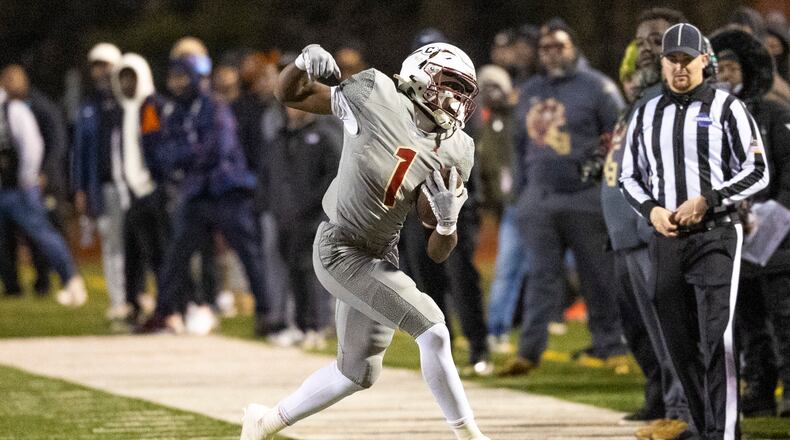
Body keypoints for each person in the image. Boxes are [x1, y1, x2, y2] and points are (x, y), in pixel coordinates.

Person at [241, 43, 489, 440]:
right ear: (422, 76)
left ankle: (264, 422)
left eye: (464, 90)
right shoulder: (376, 93)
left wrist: (446, 223)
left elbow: (437, 252)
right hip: (339, 246)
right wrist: (301, 64)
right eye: (451, 85)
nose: (457, 98)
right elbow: (291, 94)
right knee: (435, 331)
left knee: (354, 373)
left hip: (379, 254)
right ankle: (470, 435)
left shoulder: (457, 148)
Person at [620, 23, 770, 440]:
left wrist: (710, 198)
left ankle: (724, 433)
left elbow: (758, 171)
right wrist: (651, 211)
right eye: (673, 59)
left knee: (717, 337)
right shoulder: (646, 111)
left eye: (688, 59)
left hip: (717, 235)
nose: (680, 67)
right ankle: (706, 427)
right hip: (665, 238)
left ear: (705, 60)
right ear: (664, 63)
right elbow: (629, 176)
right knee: (678, 342)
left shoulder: (728, 108)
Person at [501, 20, 628, 376]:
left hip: (585, 198)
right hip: (540, 200)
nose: (552, 54)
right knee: (541, 279)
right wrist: (522, 194)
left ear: (574, 48)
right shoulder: (530, 90)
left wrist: (607, 189)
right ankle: (529, 351)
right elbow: (519, 145)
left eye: (559, 46)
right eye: (545, 48)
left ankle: (610, 346)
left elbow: (617, 142)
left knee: (598, 277)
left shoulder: (598, 87)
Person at [602, 9, 693, 438]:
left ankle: (684, 411)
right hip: (626, 233)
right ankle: (668, 404)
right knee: (650, 333)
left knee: (673, 331)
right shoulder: (641, 98)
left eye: (658, 39)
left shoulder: (675, 98)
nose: (647, 49)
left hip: (652, 230)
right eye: (642, 41)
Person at [136, 53, 268, 335]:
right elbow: (163, 151)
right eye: (174, 78)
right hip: (198, 192)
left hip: (227, 190)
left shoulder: (216, 107)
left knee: (248, 254)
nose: (177, 84)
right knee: (176, 254)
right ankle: (164, 312)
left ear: (197, 78)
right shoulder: (176, 111)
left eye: (183, 77)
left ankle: (268, 313)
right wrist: (183, 156)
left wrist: (182, 156)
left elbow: (212, 150)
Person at [711, 27, 790, 418]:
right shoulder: (708, 121)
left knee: (785, 317)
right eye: (718, 67)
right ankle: (758, 391)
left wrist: (775, 211)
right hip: (734, 236)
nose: (724, 75)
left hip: (779, 239)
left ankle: (789, 391)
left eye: (731, 66)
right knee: (746, 323)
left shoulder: (775, 113)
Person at [0, 84, 86, 305]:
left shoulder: (14, 109)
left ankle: (71, 279)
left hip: (20, 188)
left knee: (43, 235)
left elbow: (32, 145)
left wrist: (27, 178)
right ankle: (12, 288)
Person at [266, 106, 341, 349]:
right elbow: (271, 175)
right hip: (285, 217)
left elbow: (332, 176)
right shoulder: (281, 137)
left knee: (313, 272)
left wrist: (313, 204)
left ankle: (318, 325)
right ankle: (299, 325)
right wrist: (272, 205)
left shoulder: (323, 135)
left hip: (314, 216)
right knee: (293, 271)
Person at [110, 52, 169, 326]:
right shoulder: (124, 111)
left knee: (157, 254)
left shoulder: (151, 107)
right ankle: (133, 306)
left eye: (130, 78)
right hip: (131, 194)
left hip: (150, 192)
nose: (126, 85)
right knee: (132, 257)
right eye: (121, 79)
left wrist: (155, 184)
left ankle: (166, 307)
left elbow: (156, 149)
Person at [71, 42, 127, 315]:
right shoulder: (89, 106)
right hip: (103, 185)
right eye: (96, 66)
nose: (100, 71)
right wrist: (80, 187)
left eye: (104, 65)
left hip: (132, 186)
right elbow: (79, 151)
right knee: (111, 243)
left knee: (137, 243)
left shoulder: (128, 101)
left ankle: (138, 295)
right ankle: (118, 300)